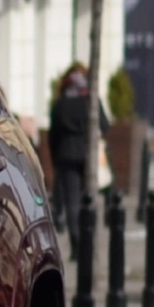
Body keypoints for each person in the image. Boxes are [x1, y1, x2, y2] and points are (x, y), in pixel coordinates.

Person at [48, 64, 99, 236]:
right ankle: (89, 239)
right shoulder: (90, 102)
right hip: (88, 154)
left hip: (66, 155)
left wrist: (55, 158)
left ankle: (77, 245)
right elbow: (105, 126)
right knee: (89, 199)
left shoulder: (61, 104)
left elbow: (53, 134)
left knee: (72, 203)